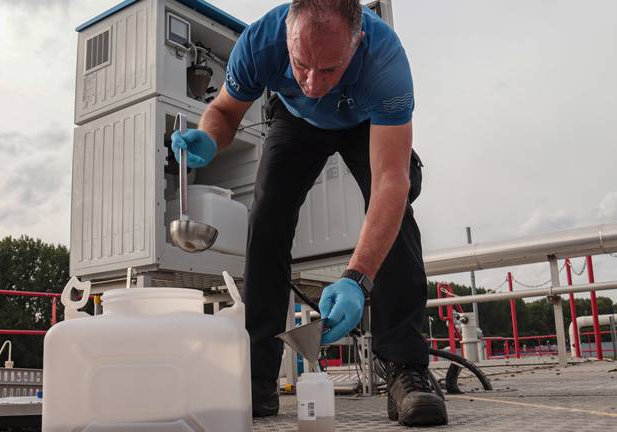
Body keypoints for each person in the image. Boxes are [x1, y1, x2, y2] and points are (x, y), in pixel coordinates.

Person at [172, 0, 447, 426]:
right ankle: (256, 378)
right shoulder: (259, 42)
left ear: (357, 43)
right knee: (266, 217)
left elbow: (392, 181)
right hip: (295, 120)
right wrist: (209, 137)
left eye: (330, 69)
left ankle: (406, 369)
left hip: (363, 122)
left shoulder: (385, 60)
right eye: (301, 65)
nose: (314, 82)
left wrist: (357, 277)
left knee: (397, 213)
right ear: (287, 37)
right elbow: (224, 112)